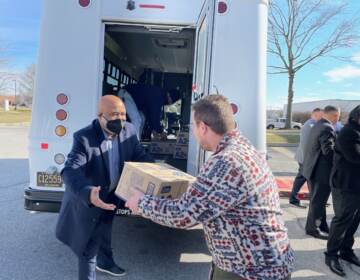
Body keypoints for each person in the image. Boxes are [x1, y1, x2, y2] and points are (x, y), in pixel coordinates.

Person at [126, 95, 294, 280]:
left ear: (203, 127)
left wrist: (141, 203)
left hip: (250, 271)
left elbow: (183, 215)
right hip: (260, 263)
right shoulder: (243, 148)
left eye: (193, 127)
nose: (193, 133)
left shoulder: (226, 161)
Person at [55, 95, 153, 280]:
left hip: (112, 194)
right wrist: (87, 192)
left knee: (105, 228)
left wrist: (157, 171)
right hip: (91, 198)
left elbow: (139, 155)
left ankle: (106, 262)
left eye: (123, 114)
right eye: (114, 115)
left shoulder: (129, 131)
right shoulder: (84, 137)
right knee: (88, 247)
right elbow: (69, 171)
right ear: (100, 116)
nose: (121, 120)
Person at [324, 105, 360, 277]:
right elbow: (355, 157)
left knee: (354, 220)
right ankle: (331, 255)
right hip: (345, 185)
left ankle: (346, 250)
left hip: (357, 185)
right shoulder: (349, 132)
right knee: (342, 220)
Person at [302, 105, 340, 240]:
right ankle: (313, 229)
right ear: (334, 115)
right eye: (337, 115)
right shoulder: (327, 127)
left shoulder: (319, 124)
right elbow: (328, 151)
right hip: (320, 172)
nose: (338, 118)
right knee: (318, 202)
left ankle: (321, 225)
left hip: (313, 170)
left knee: (319, 201)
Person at [124, 72, 181, 140]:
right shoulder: (158, 96)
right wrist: (160, 131)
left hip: (134, 100)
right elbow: (155, 115)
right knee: (137, 120)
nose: (170, 103)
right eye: (171, 101)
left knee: (142, 118)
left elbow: (149, 114)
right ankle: (132, 145)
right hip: (126, 94)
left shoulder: (160, 96)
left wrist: (153, 129)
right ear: (169, 95)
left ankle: (137, 141)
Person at [289, 108, 323, 208]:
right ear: (314, 115)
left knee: (307, 179)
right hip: (305, 159)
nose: (322, 118)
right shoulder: (310, 125)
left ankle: (315, 200)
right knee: (302, 178)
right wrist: (307, 161)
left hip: (306, 158)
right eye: (320, 116)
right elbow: (305, 144)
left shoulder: (313, 124)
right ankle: (294, 199)